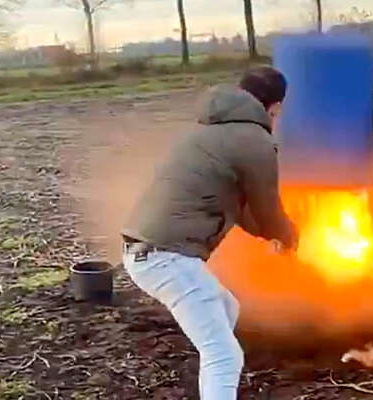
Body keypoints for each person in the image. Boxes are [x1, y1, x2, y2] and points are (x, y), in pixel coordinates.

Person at [121, 66, 298, 400]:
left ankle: (213, 382)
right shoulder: (256, 140)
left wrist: (271, 233)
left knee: (226, 308)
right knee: (225, 356)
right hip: (165, 257)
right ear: (275, 106)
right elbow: (266, 207)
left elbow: (240, 208)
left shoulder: (209, 130)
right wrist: (287, 236)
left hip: (150, 251)